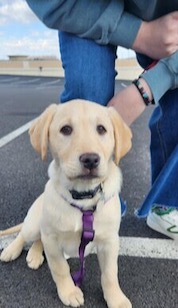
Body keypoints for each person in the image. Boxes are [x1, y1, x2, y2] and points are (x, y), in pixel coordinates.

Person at [26, 0, 178, 240]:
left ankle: (169, 203)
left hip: (168, 14)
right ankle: (74, 202)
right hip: (84, 5)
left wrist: (148, 87)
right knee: (86, 96)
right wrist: (139, 35)